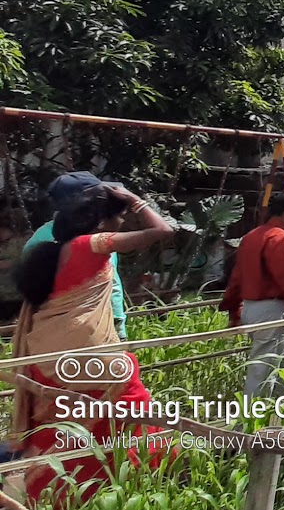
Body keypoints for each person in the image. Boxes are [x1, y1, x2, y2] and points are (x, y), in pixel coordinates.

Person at [11, 183, 175, 503]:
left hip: (48, 357)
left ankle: (49, 491)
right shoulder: (90, 245)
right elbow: (163, 231)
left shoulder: (51, 252)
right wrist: (136, 200)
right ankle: (133, 484)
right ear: (101, 222)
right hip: (90, 361)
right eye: (118, 216)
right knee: (132, 417)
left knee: (63, 424)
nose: (122, 222)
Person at [221, 191, 284, 400]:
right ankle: (251, 414)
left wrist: (234, 310)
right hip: (272, 309)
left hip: (252, 307)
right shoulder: (281, 238)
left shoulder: (252, 236)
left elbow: (237, 277)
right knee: (263, 366)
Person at [21, 172, 128, 339]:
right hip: (71, 333)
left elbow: (111, 283)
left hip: (107, 323)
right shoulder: (42, 242)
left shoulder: (101, 233)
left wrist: (117, 319)